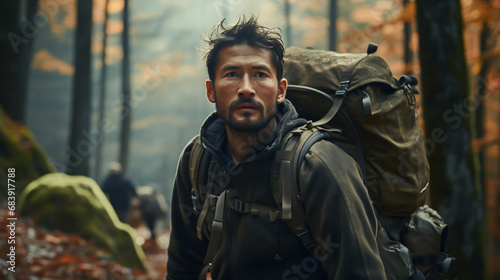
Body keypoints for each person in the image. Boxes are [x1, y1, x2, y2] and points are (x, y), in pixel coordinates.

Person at [166, 16, 386, 279]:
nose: (246, 89)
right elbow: (183, 267)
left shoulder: (318, 167)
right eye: (232, 74)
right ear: (211, 91)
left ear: (281, 90)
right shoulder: (197, 159)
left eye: (260, 74)